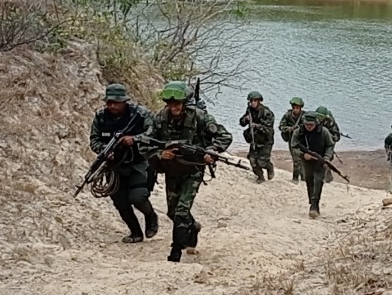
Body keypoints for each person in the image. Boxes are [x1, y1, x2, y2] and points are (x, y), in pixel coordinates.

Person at [146, 81, 234, 263]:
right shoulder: (160, 119)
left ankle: (175, 252)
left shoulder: (199, 117)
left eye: (177, 104)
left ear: (185, 103)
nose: (174, 108)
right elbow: (146, 144)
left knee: (181, 211)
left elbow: (224, 135)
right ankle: (193, 228)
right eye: (170, 104)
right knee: (172, 213)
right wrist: (161, 154)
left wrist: (213, 150)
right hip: (172, 171)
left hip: (193, 169)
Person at [88, 83, 159, 243]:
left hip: (139, 163)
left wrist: (135, 139)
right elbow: (94, 140)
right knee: (120, 202)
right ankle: (135, 233)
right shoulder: (100, 117)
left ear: (124, 101)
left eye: (116, 102)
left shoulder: (140, 114)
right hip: (114, 167)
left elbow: (154, 133)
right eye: (109, 102)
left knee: (137, 197)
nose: (112, 106)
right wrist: (105, 150)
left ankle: (151, 216)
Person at [291, 112, 335, 219]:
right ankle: (312, 202)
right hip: (307, 162)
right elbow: (293, 146)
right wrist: (303, 154)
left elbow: (330, 145)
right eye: (307, 125)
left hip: (321, 161)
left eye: (311, 125)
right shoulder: (299, 132)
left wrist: (327, 158)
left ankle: (315, 206)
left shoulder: (324, 132)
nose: (309, 127)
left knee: (318, 181)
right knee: (309, 180)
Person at [238, 91, 275, 183]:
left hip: (266, 140)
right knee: (252, 161)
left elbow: (269, 130)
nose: (253, 103)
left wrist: (256, 126)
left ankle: (269, 167)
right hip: (254, 139)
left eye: (255, 101)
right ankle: (260, 177)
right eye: (251, 101)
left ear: (259, 101)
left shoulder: (267, 113)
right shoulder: (249, 110)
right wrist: (245, 119)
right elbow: (241, 123)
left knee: (262, 162)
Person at [278, 97, 307, 183]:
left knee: (301, 160)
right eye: (294, 107)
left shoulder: (305, 116)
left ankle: (300, 178)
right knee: (296, 159)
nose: (295, 110)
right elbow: (281, 127)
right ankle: (299, 178)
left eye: (297, 108)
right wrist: (290, 129)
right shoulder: (287, 115)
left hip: (302, 140)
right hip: (292, 140)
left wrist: (299, 129)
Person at [314, 106, 341, 183]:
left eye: (321, 117)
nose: (319, 118)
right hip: (318, 142)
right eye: (318, 116)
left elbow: (337, 138)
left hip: (329, 143)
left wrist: (328, 136)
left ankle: (328, 177)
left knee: (326, 160)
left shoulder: (331, 123)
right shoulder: (315, 120)